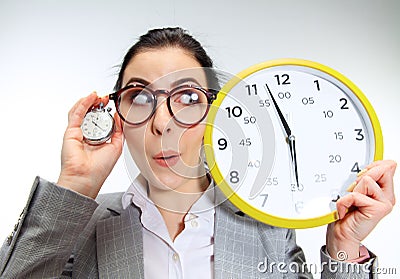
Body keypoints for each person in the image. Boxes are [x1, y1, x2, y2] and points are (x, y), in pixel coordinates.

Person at [0, 27, 396, 279]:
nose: (162, 123)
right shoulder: (78, 225)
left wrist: (344, 250)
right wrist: (77, 184)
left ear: (215, 113)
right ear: (115, 114)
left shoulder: (269, 230)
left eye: (187, 96)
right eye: (139, 96)